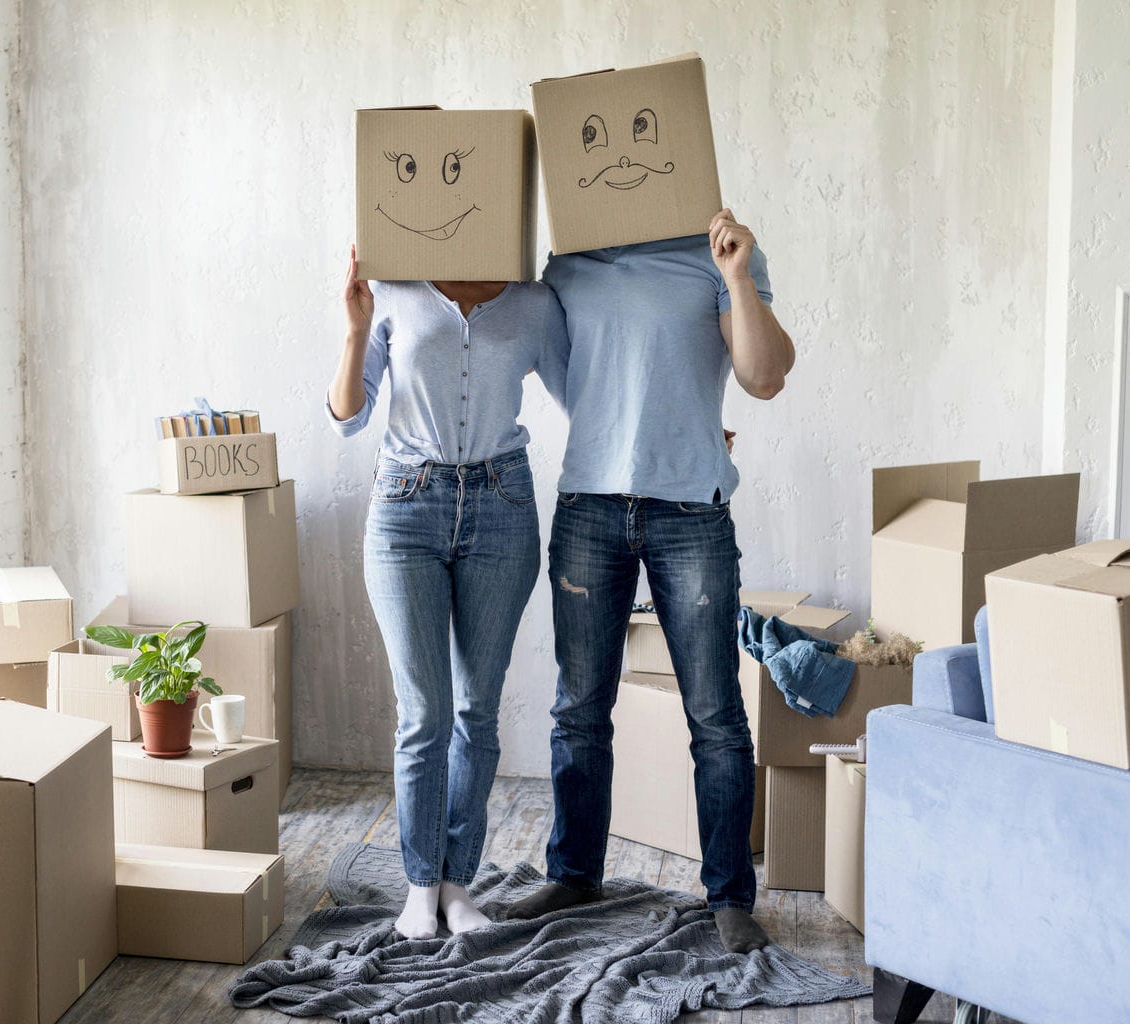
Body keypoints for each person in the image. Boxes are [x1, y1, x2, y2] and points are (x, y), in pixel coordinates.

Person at [506, 209, 795, 956]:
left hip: (691, 508)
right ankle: (574, 876)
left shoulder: (717, 252)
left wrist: (736, 275)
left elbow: (765, 376)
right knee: (579, 709)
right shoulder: (569, 262)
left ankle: (729, 896)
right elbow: (577, 385)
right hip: (589, 506)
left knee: (716, 714)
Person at [328, 245, 567, 939]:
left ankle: (458, 886)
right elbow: (347, 416)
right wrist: (355, 327)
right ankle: (419, 887)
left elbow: (586, 398)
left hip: (502, 504)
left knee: (475, 712)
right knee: (423, 714)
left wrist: (690, 429)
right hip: (406, 507)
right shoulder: (395, 287)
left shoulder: (532, 300)